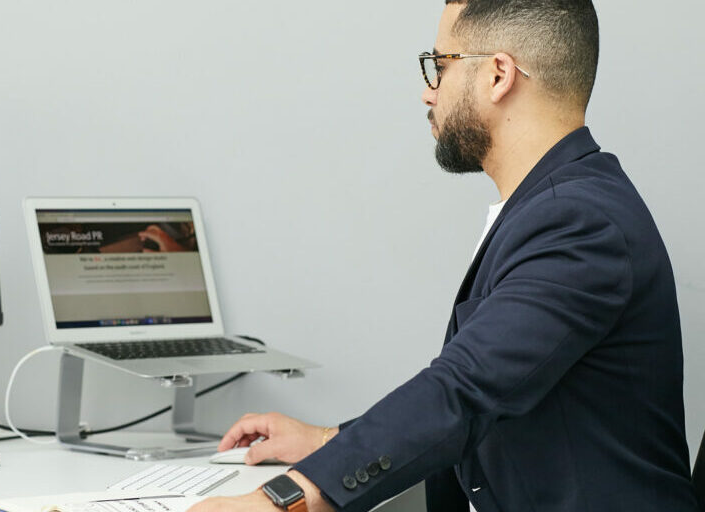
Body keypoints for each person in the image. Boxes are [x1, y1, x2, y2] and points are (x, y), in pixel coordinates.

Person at [189, 1, 699, 511]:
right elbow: (494, 391)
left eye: (441, 65)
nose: (428, 91)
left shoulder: (579, 222)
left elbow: (464, 390)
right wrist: (328, 442)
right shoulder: (554, 206)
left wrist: (282, 500)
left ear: (498, 75)